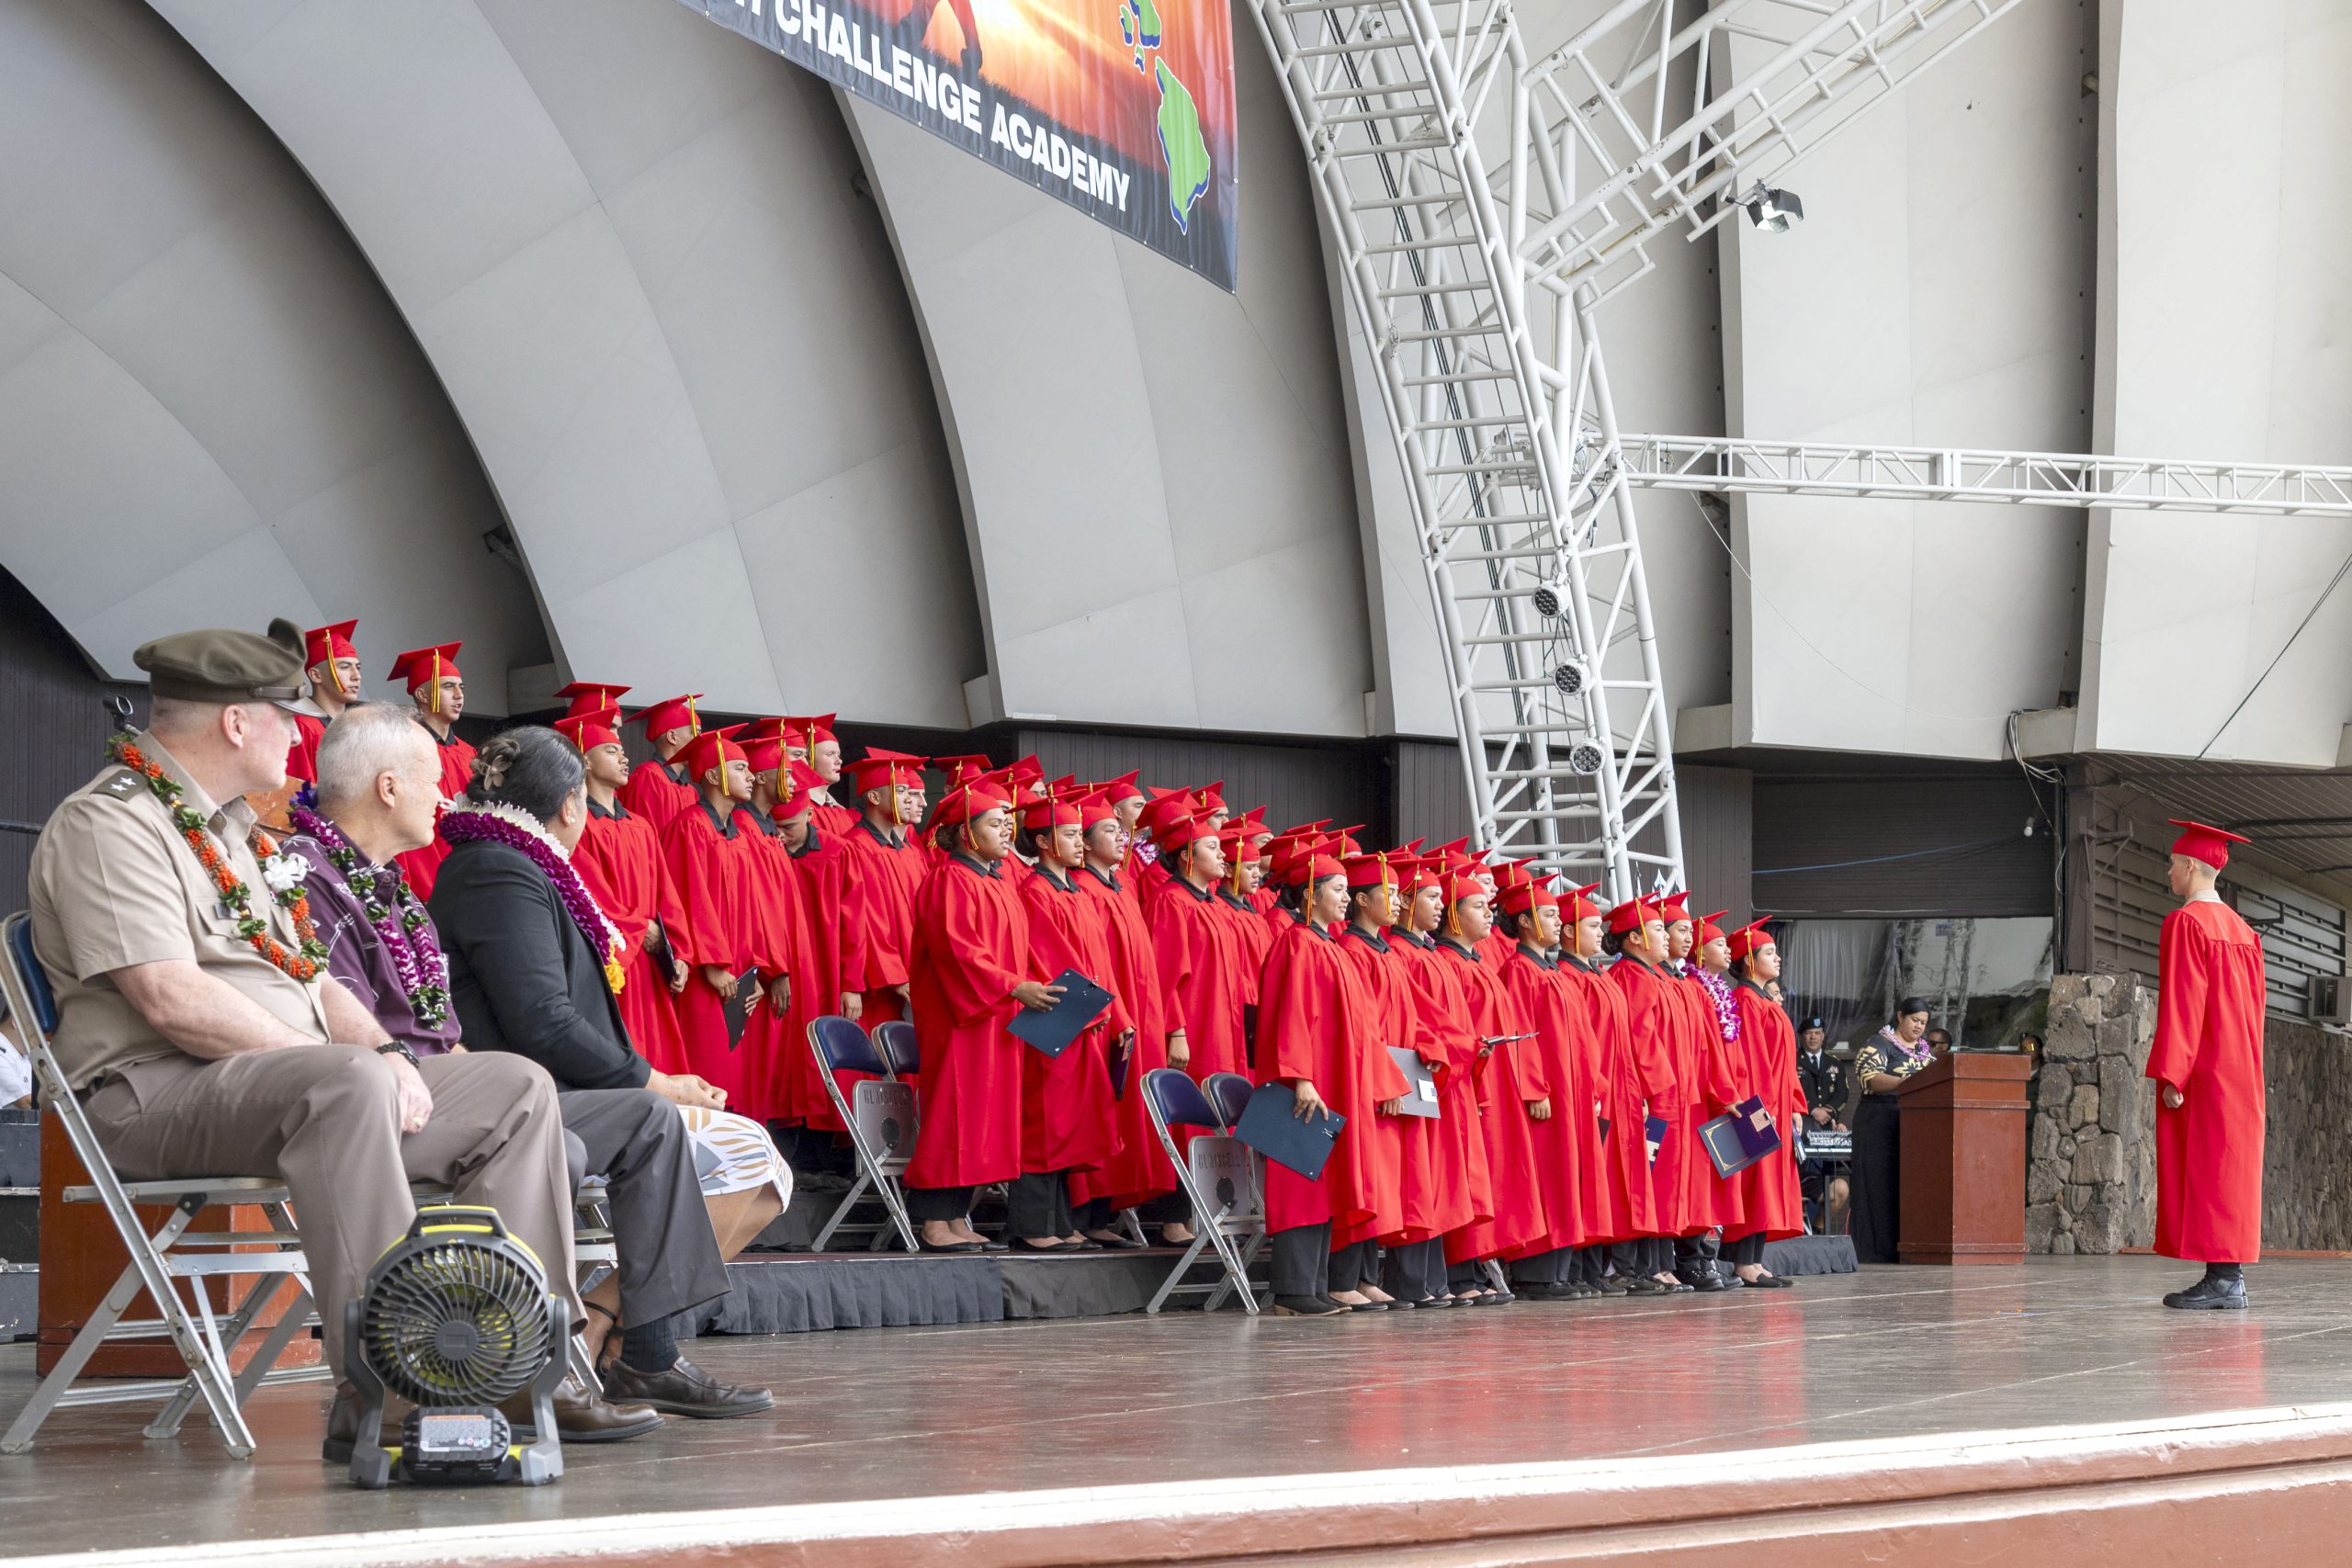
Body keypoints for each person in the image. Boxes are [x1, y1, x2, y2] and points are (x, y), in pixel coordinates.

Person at [25, 621, 594, 1457]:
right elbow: (170, 998)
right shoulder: (112, 822)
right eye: (285, 715)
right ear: (236, 722)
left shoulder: (234, 832)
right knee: (347, 1084)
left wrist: (388, 1053)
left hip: (283, 1082)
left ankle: (515, 1364)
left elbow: (316, 978)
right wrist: (343, 1063)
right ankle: (393, 1384)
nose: (300, 733)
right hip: (151, 1091)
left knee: (515, 1087)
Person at [292, 706, 768, 1425]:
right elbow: (538, 1018)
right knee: (606, 1124)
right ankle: (535, 1362)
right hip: (416, 1098)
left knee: (655, 1121)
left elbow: (438, 1028)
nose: (444, 794)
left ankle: (637, 1352)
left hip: (459, 1085)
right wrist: (654, 1077)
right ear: (571, 804)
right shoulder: (491, 869)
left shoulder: (407, 881)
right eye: (430, 779)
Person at [1254, 849, 1406, 1315]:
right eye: (1338, 890)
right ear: (1309, 895)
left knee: (1325, 1185)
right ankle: (1294, 1290)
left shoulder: (1330, 947)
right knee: (1302, 1183)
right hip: (1309, 1085)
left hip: (1337, 1082)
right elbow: (1291, 1014)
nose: (1345, 897)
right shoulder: (1296, 943)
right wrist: (1299, 1077)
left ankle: (1315, 1286)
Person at [903, 779, 1040, 1251]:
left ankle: (957, 1215)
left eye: (1008, 823)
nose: (1007, 831)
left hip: (996, 1018)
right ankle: (933, 1219)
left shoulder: (997, 882)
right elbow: (959, 952)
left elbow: (1018, 953)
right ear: (966, 833)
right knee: (954, 1114)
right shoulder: (949, 879)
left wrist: (1031, 987)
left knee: (983, 1119)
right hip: (959, 1018)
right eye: (995, 823)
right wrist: (1013, 986)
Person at [2146, 820, 2267, 1310]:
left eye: (2173, 864)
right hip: (2242, 1066)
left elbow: (2184, 1002)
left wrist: (2174, 1071)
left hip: (2207, 1067)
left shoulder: (2187, 923)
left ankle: (2223, 1281)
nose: (2169, 872)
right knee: (2230, 1167)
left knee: (2209, 1167)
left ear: (2192, 866)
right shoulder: (2244, 931)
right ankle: (2226, 1277)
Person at [1009, 796, 1127, 1251]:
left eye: (1080, 834)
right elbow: (1049, 959)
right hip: (1056, 1020)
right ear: (1043, 842)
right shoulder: (1035, 891)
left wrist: (1115, 1015)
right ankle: (1034, 1225)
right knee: (1045, 1122)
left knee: (1069, 1125)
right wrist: (1091, 1010)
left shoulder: (1076, 892)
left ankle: (1059, 1221)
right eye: (1071, 834)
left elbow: (1101, 963)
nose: (1080, 843)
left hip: (1085, 1022)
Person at [657, 726, 787, 1109]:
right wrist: (713, 964)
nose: (751, 776)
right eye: (740, 768)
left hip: (741, 972)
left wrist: (759, 968)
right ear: (714, 776)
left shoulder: (740, 836)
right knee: (709, 1064)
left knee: (739, 1073)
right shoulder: (688, 827)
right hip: (706, 974)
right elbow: (686, 899)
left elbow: (755, 906)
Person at [1069, 790, 1179, 1246]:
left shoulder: (1124, 886)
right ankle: (1084, 1215)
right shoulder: (1082, 889)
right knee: (1100, 1109)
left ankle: (1104, 1214)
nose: (1122, 837)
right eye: (1110, 830)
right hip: (1108, 1015)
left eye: (1121, 831)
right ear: (1084, 841)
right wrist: (1115, 1012)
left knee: (1127, 1112)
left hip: (1139, 1011)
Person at [557, 710, 693, 1076]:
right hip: (612, 961)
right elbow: (585, 890)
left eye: (622, 751)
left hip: (650, 963)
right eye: (611, 750)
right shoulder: (578, 826)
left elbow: (667, 894)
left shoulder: (641, 826)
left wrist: (679, 951)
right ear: (585, 760)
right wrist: (638, 928)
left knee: (660, 1058)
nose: (624, 757)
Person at [1723, 922, 1801, 1286]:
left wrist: (1795, 1104)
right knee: (1755, 1182)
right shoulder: (1744, 1000)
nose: (1778, 958)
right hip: (1759, 1105)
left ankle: (1755, 1259)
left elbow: (1786, 1061)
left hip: (1777, 1107)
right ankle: (1743, 1263)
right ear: (1749, 961)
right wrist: (1762, 1105)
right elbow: (1752, 1060)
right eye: (1770, 952)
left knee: (1768, 1184)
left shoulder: (1766, 1001)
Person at [837, 749, 931, 1029]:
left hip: (913, 975)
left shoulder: (907, 852)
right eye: (901, 791)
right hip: (877, 984)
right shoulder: (855, 847)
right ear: (875, 798)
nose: (910, 799)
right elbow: (863, 919)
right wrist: (894, 973)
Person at [1150, 812, 1248, 1081]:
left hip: (1224, 1024)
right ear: (1187, 856)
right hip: (1194, 1026)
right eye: (1213, 847)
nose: (1222, 855)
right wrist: (1176, 1031)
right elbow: (1163, 973)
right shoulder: (1170, 901)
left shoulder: (1215, 906)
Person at [1848, 998, 1937, 1264]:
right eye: (1914, 1020)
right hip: (1878, 1120)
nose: (1919, 1026)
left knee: (1906, 1185)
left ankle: (1907, 1245)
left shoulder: (1924, 1050)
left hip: (1914, 1123)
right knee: (1878, 1185)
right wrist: (1905, 1082)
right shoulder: (1879, 1043)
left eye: (1923, 1023)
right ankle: (1875, 1250)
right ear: (1900, 1016)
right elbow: (1868, 1077)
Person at [382, 642, 473, 901]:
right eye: (448, 686)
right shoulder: (403, 748)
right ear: (422, 695)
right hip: (425, 875)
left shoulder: (469, 753)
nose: (459, 695)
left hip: (468, 869)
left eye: (461, 687)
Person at [284, 618, 361, 784]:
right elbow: (299, 794)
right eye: (345, 667)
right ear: (316, 675)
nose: (356, 676)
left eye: (358, 667)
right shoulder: (303, 727)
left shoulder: (359, 728)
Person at [616, 694, 703, 829]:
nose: (701, 740)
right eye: (695, 733)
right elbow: (644, 834)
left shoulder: (690, 790)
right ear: (672, 737)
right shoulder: (648, 777)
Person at [1796, 1018, 1847, 1129]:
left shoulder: (1835, 1063)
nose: (1813, 1037)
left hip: (1828, 1123)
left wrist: (1827, 1112)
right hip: (1801, 1123)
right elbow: (1789, 1091)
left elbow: (1842, 1093)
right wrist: (1813, 1110)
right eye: (1808, 1033)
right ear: (1800, 1036)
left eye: (1817, 1033)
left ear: (1823, 1036)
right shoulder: (1791, 1061)